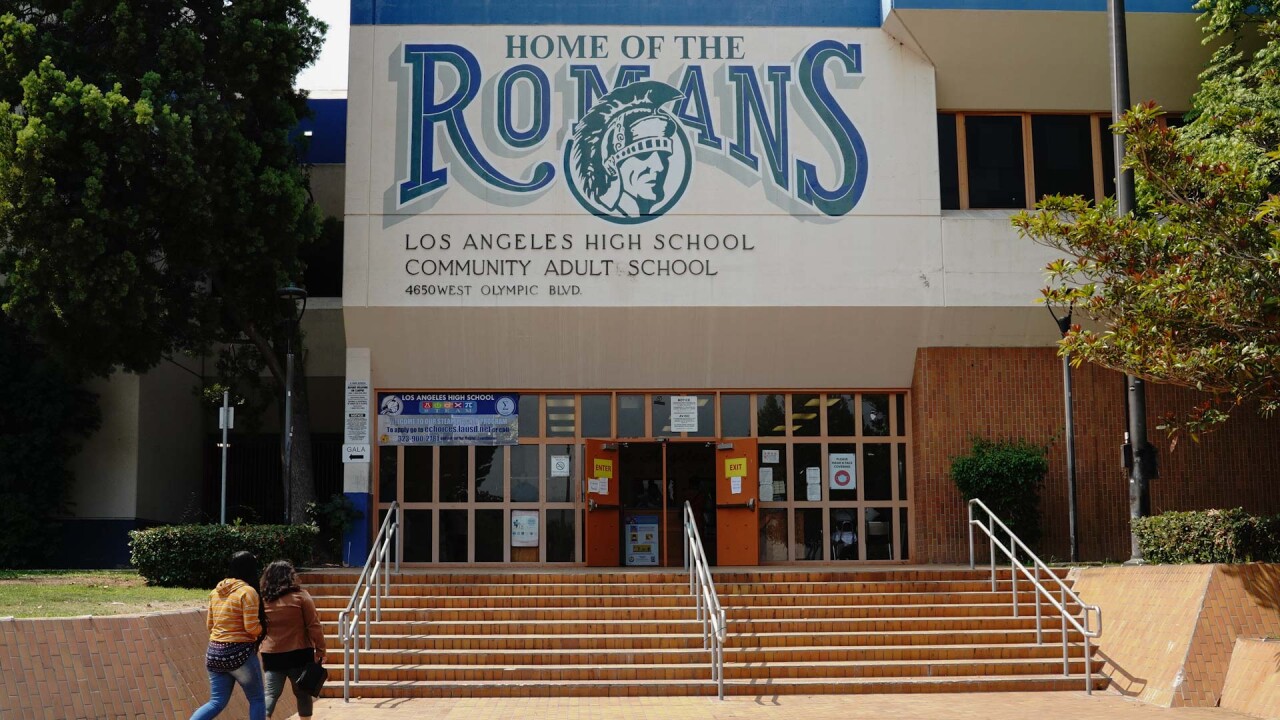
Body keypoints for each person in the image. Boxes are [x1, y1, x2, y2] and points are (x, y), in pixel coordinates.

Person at [191, 551, 266, 720]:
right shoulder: (248, 592)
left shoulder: (215, 592)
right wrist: (262, 630)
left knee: (216, 702)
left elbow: (210, 625)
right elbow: (251, 627)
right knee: (257, 699)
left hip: (214, 652)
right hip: (239, 654)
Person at [259, 560, 327, 718]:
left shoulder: (263, 600)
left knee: (270, 694)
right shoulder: (301, 596)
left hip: (272, 655)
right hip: (299, 654)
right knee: (303, 694)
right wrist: (321, 650)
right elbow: (314, 625)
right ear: (291, 577)